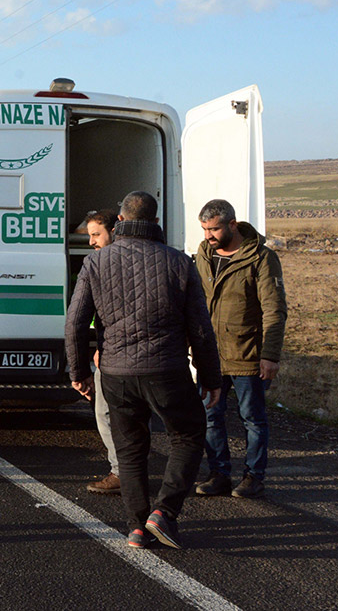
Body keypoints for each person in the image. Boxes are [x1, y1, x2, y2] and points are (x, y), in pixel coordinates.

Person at [65, 191, 222, 549]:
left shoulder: (97, 262)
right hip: (167, 369)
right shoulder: (179, 262)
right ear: (155, 223)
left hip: (117, 373)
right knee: (188, 434)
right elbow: (200, 327)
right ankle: (163, 512)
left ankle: (136, 527)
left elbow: (74, 322)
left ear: (119, 221)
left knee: (130, 449)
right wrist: (210, 376)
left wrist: (79, 372)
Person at [193, 199, 287, 499]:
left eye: (215, 229)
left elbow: (275, 309)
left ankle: (253, 477)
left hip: (247, 353)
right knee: (210, 416)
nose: (209, 236)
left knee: (253, 419)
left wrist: (270, 355)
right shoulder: (204, 254)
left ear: (232, 224)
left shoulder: (261, 257)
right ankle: (219, 473)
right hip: (210, 354)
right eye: (205, 229)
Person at [78, 208, 122, 496]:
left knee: (106, 413)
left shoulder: (103, 264)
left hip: (117, 356)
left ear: (113, 231)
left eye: (96, 234)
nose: (92, 241)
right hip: (111, 351)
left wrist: (81, 366)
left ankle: (121, 472)